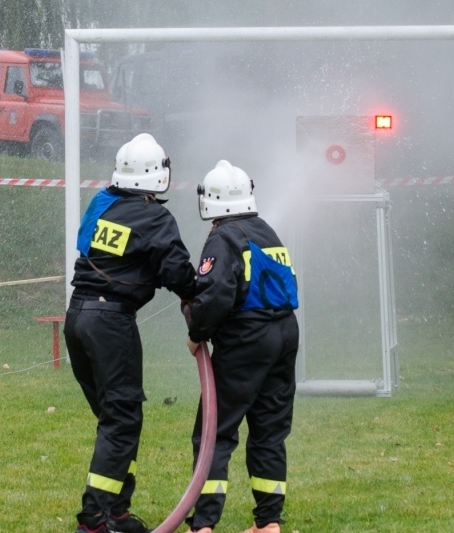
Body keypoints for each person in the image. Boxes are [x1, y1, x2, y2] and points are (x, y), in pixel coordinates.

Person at [64, 133, 197, 533]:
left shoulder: (104, 205)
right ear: (158, 174)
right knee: (121, 420)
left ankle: (117, 511)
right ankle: (95, 519)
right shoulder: (153, 216)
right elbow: (176, 271)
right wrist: (200, 297)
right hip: (110, 322)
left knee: (116, 420)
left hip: (79, 317)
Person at [182, 160, 299, 533]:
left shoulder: (224, 237)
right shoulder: (266, 231)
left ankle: (203, 524)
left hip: (247, 339)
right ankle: (269, 522)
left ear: (209, 199)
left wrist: (197, 332)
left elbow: (215, 295)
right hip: (285, 334)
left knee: (214, 431)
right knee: (269, 430)